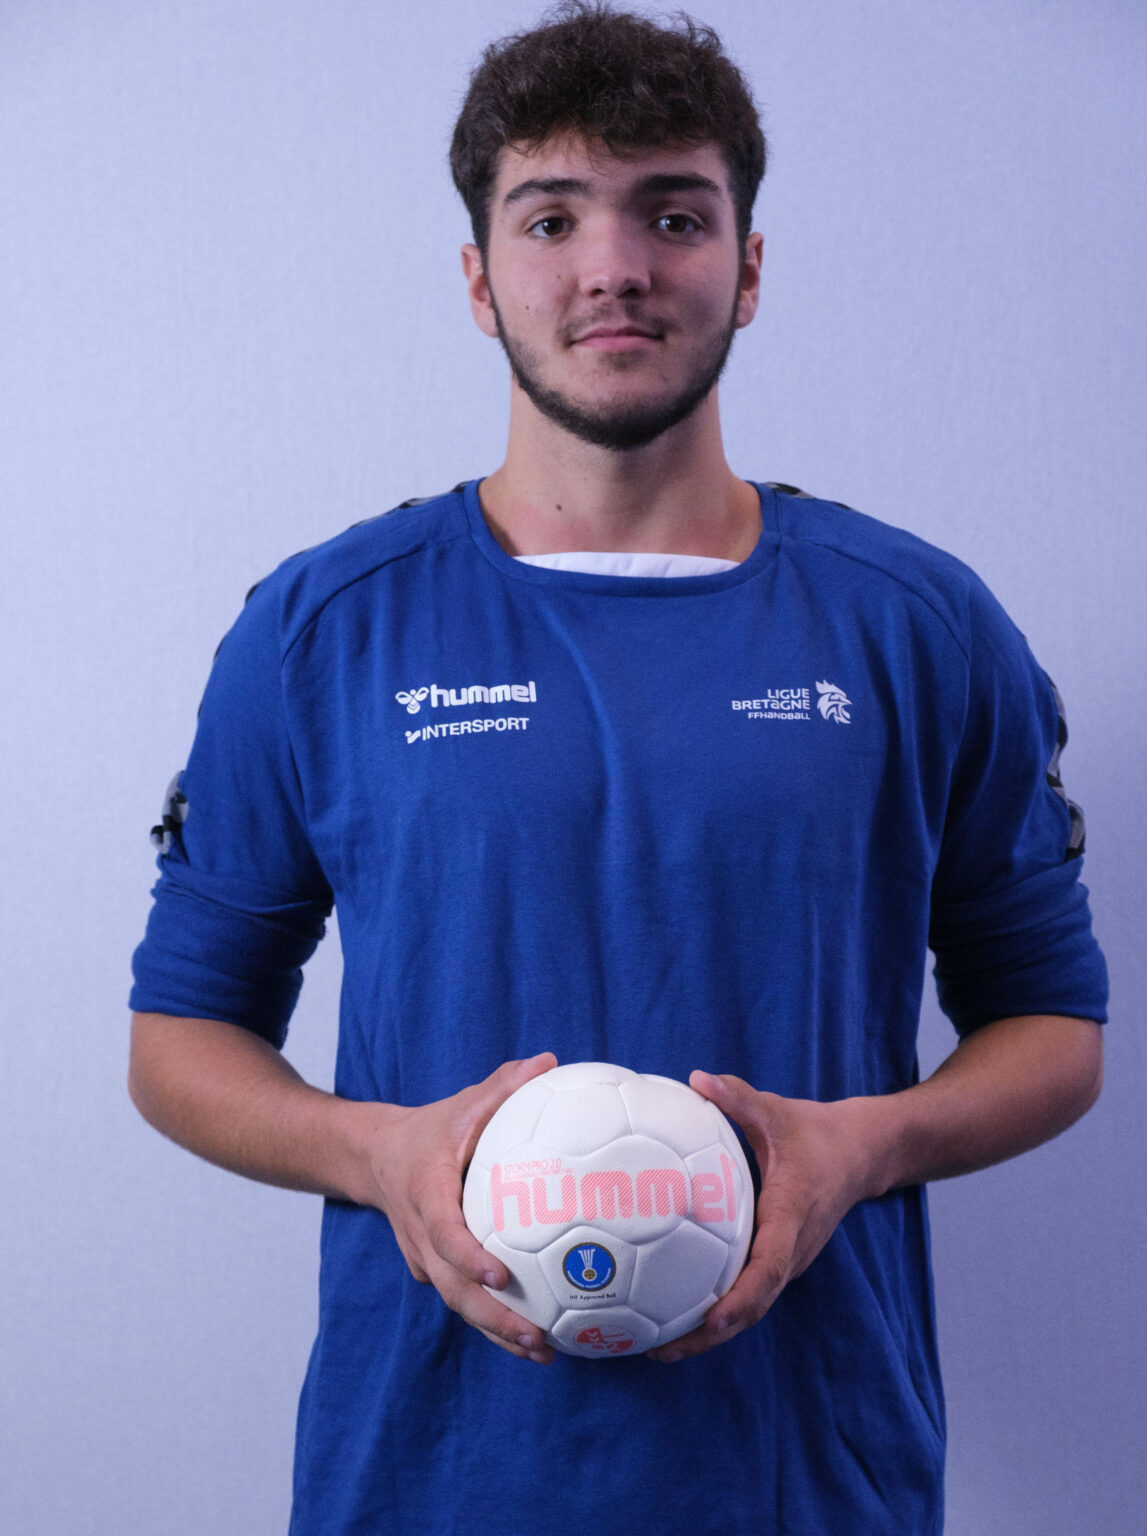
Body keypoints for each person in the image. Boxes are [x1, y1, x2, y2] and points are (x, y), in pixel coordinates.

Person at [128, 5, 1107, 1533]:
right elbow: (180, 1037)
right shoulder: (326, 629)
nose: (615, 267)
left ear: (748, 267)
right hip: (430, 1478)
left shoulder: (915, 625)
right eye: (550, 218)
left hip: (809, 1477)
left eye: (673, 214)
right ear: (479, 279)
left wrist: (865, 1145)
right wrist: (379, 1153)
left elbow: (1053, 1024)